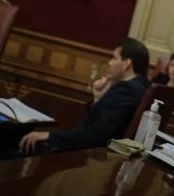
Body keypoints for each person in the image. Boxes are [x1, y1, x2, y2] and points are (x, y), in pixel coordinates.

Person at [19, 37, 149, 154]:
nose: (109, 62)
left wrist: (49, 136)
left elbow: (97, 136)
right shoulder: (140, 86)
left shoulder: (126, 89)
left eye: (114, 58)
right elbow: (99, 126)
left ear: (126, 63)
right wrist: (98, 98)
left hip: (84, 157)